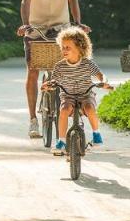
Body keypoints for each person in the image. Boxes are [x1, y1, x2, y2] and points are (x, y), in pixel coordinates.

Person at [16, 0, 86, 138]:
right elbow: (25, 1)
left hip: (60, 27)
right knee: (33, 71)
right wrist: (26, 24)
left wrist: (78, 22)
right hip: (36, 27)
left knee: (68, 69)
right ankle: (33, 120)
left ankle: (72, 111)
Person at [43, 26, 108, 155]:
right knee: (64, 110)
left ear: (80, 48)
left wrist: (104, 82)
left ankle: (96, 134)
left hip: (85, 94)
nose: (64, 50)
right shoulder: (60, 66)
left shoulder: (88, 64)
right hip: (68, 95)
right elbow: (55, 80)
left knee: (89, 108)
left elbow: (100, 75)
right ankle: (61, 141)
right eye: (63, 47)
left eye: (68, 47)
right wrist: (49, 84)